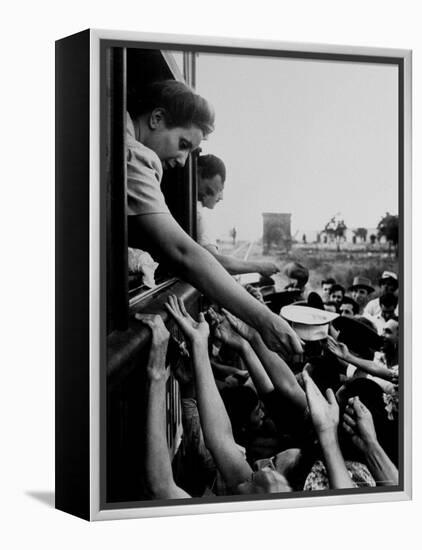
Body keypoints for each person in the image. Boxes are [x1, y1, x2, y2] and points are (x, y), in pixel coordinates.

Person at [126, 80, 302, 357]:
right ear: (157, 118)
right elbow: (183, 252)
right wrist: (265, 319)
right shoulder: (135, 156)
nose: (183, 161)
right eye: (183, 144)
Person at [165, 295, 293, 495]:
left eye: (273, 465)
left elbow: (160, 486)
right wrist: (244, 343)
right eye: (273, 459)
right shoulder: (252, 478)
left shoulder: (247, 485)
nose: (262, 463)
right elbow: (220, 440)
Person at [197, 154, 279, 277]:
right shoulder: (197, 214)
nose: (221, 197)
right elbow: (215, 264)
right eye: (215, 190)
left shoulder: (196, 210)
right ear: (198, 174)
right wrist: (260, 267)